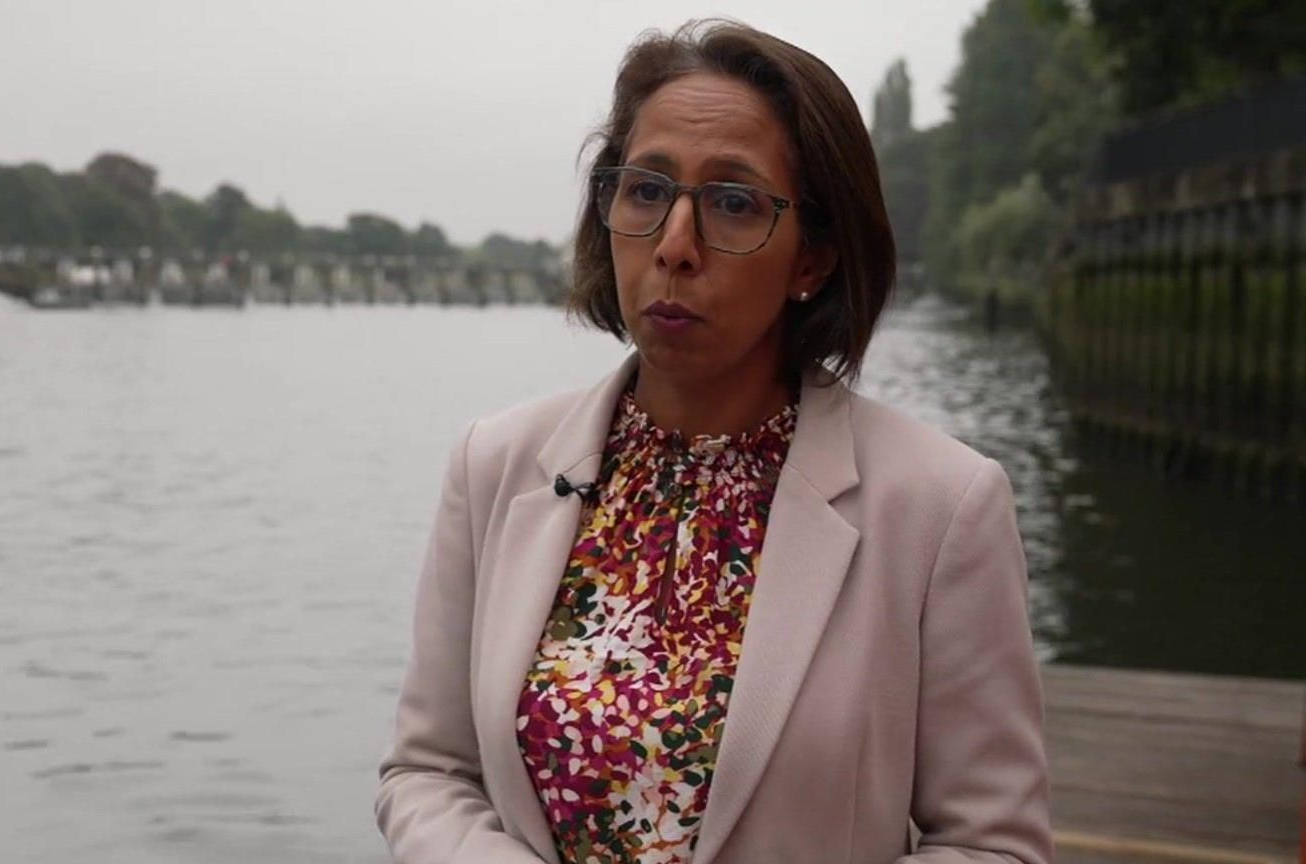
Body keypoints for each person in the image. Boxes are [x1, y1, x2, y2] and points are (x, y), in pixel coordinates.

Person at [376, 19, 1051, 864]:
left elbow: (994, 845)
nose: (675, 246)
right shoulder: (496, 464)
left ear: (813, 257)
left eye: (733, 203)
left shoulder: (941, 506)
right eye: (647, 190)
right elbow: (429, 773)